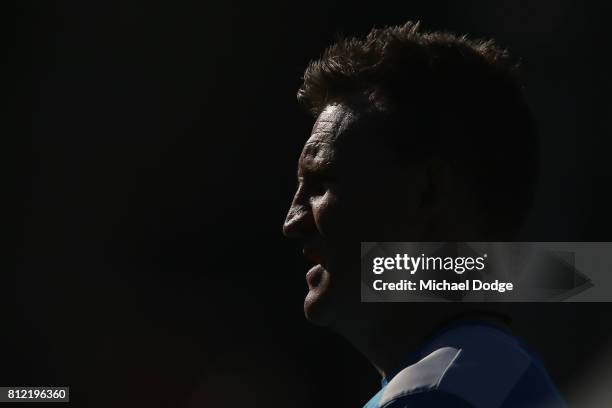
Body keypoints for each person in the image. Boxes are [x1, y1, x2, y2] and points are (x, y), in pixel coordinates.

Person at [282, 21, 566, 407]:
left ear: (428, 192)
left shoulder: (432, 395)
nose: (293, 221)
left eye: (320, 185)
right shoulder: (502, 377)